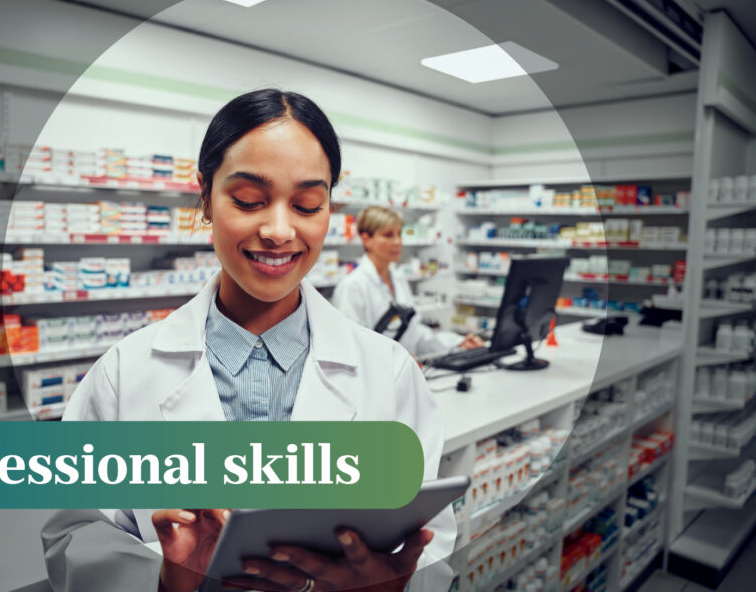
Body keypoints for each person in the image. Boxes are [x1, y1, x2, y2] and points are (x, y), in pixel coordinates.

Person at [41, 89, 456, 592]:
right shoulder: (124, 373)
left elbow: (433, 543)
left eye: (306, 204)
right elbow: (75, 540)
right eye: (248, 200)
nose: (279, 231)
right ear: (205, 197)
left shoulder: (389, 373)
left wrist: (396, 586)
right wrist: (168, 581)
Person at [331, 206, 483, 357]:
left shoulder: (398, 279)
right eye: (388, 235)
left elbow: (415, 334)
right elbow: (353, 346)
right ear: (366, 239)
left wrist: (456, 343)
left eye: (399, 234)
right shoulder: (353, 286)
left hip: (404, 373)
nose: (397, 242)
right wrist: (395, 359)